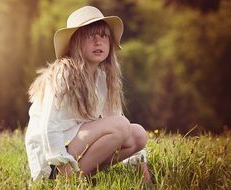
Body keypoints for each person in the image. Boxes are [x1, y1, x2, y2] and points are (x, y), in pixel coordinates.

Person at [25, 6, 151, 182]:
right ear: (76, 42)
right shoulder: (64, 73)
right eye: (90, 35)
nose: (98, 41)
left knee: (137, 134)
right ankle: (65, 180)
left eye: (104, 36)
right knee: (120, 126)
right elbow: (48, 125)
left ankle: (83, 174)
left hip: (75, 145)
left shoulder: (103, 77)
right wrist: (59, 161)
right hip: (52, 157)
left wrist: (144, 172)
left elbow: (116, 119)